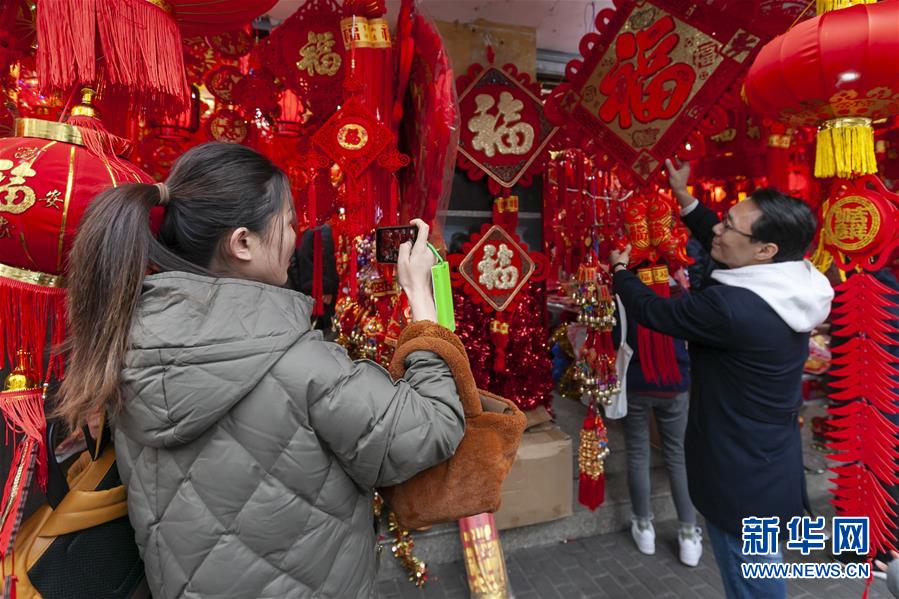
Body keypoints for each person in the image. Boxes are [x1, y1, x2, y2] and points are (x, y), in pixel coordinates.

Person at [55, 142, 465, 599]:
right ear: (242, 243)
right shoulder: (301, 365)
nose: (295, 235)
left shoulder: (121, 343)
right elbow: (432, 429)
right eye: (288, 221)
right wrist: (423, 305)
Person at [610, 159, 834, 599]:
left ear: (766, 249)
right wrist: (683, 196)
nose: (719, 229)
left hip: (737, 470)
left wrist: (620, 272)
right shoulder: (795, 278)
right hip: (769, 456)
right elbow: (724, 239)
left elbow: (656, 312)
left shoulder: (733, 308)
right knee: (760, 563)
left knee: (751, 578)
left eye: (730, 224)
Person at [618, 279, 701, 567]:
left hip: (636, 384)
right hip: (674, 383)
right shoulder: (679, 290)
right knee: (678, 456)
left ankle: (643, 527)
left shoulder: (626, 290)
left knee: (638, 453)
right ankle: (688, 533)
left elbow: (616, 336)